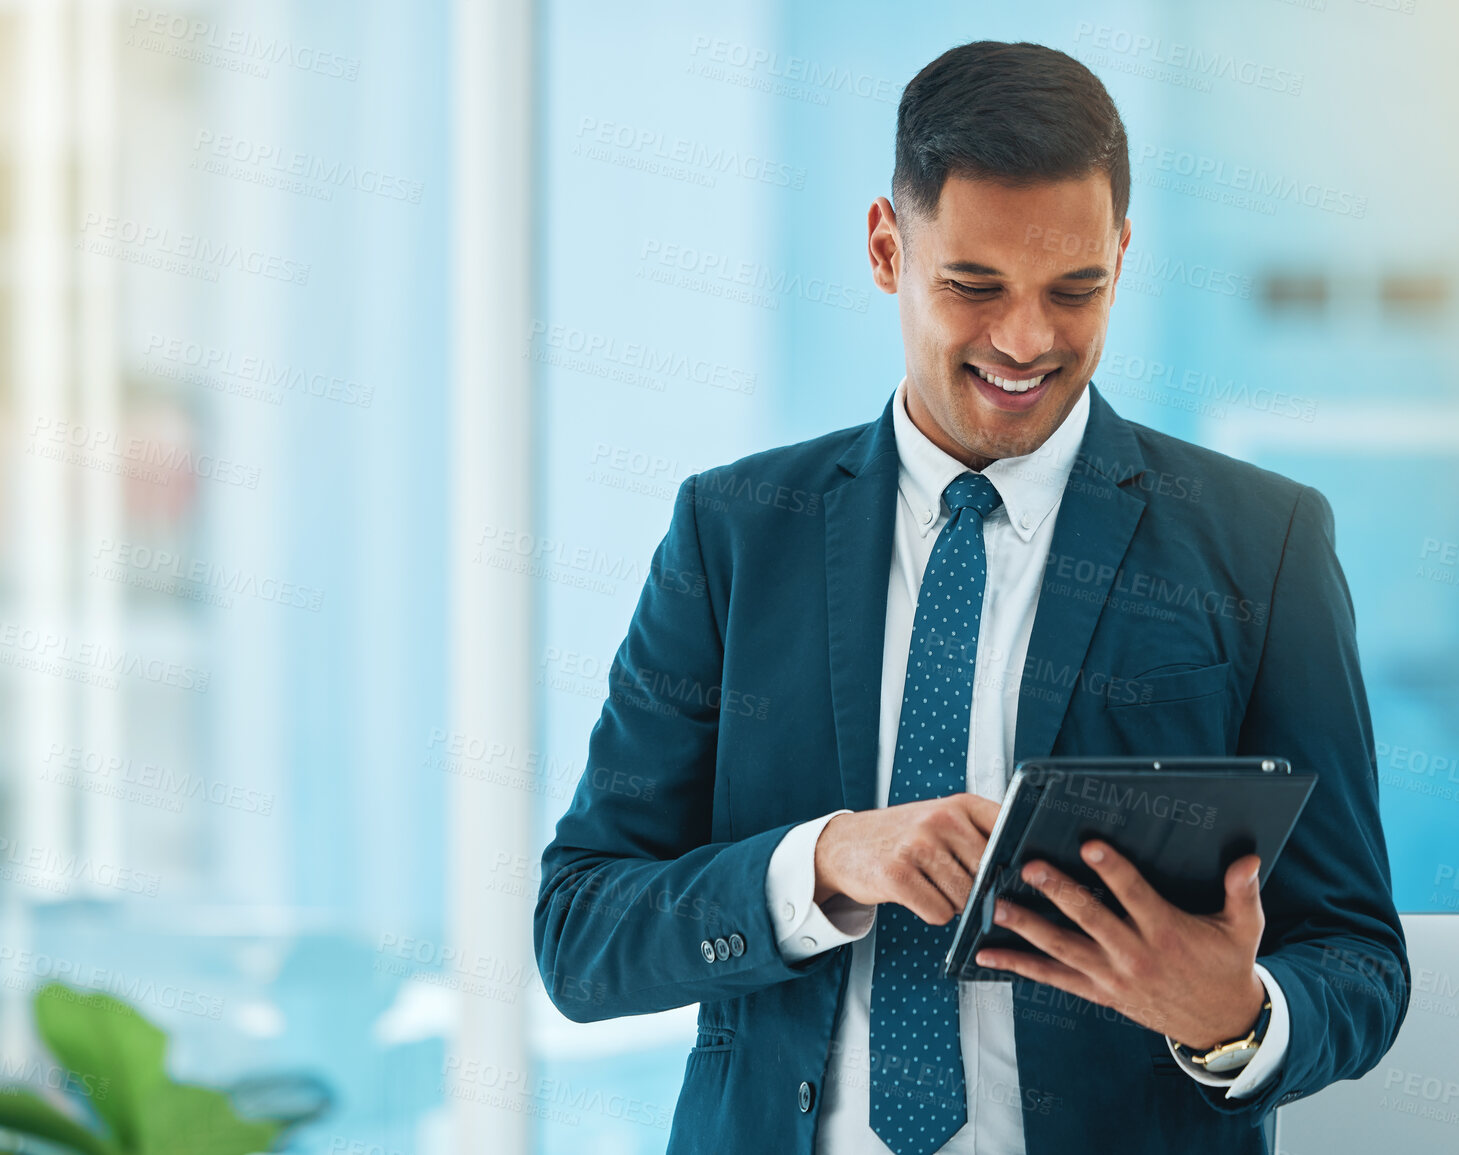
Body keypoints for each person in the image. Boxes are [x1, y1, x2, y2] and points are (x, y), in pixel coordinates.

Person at [532, 39, 1409, 1155]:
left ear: (1121, 255)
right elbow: (582, 933)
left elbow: (1357, 955)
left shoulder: (1259, 542)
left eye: (1074, 289)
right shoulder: (736, 531)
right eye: (974, 286)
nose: (1026, 340)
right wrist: (823, 862)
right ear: (885, 249)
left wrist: (1236, 1018)